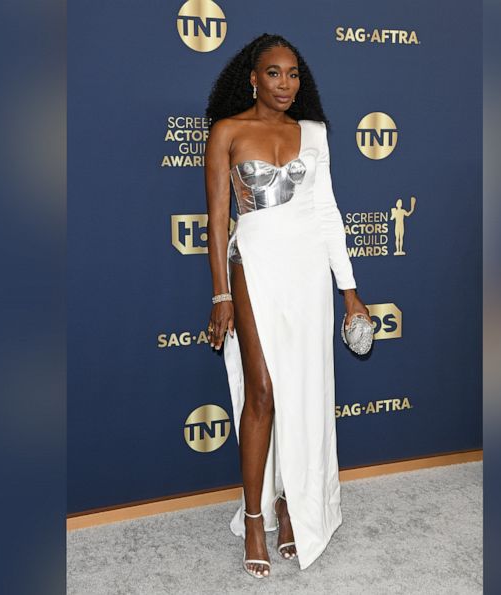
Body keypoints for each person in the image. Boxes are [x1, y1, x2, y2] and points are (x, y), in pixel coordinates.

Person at [203, 33, 370, 579]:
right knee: (263, 390)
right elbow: (218, 221)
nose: (285, 84)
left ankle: (291, 503)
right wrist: (220, 294)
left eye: (294, 74)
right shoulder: (227, 131)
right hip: (253, 263)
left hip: (307, 272)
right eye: (274, 73)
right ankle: (255, 517)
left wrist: (348, 289)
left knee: (306, 390)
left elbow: (327, 213)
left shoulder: (315, 134)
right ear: (252, 77)